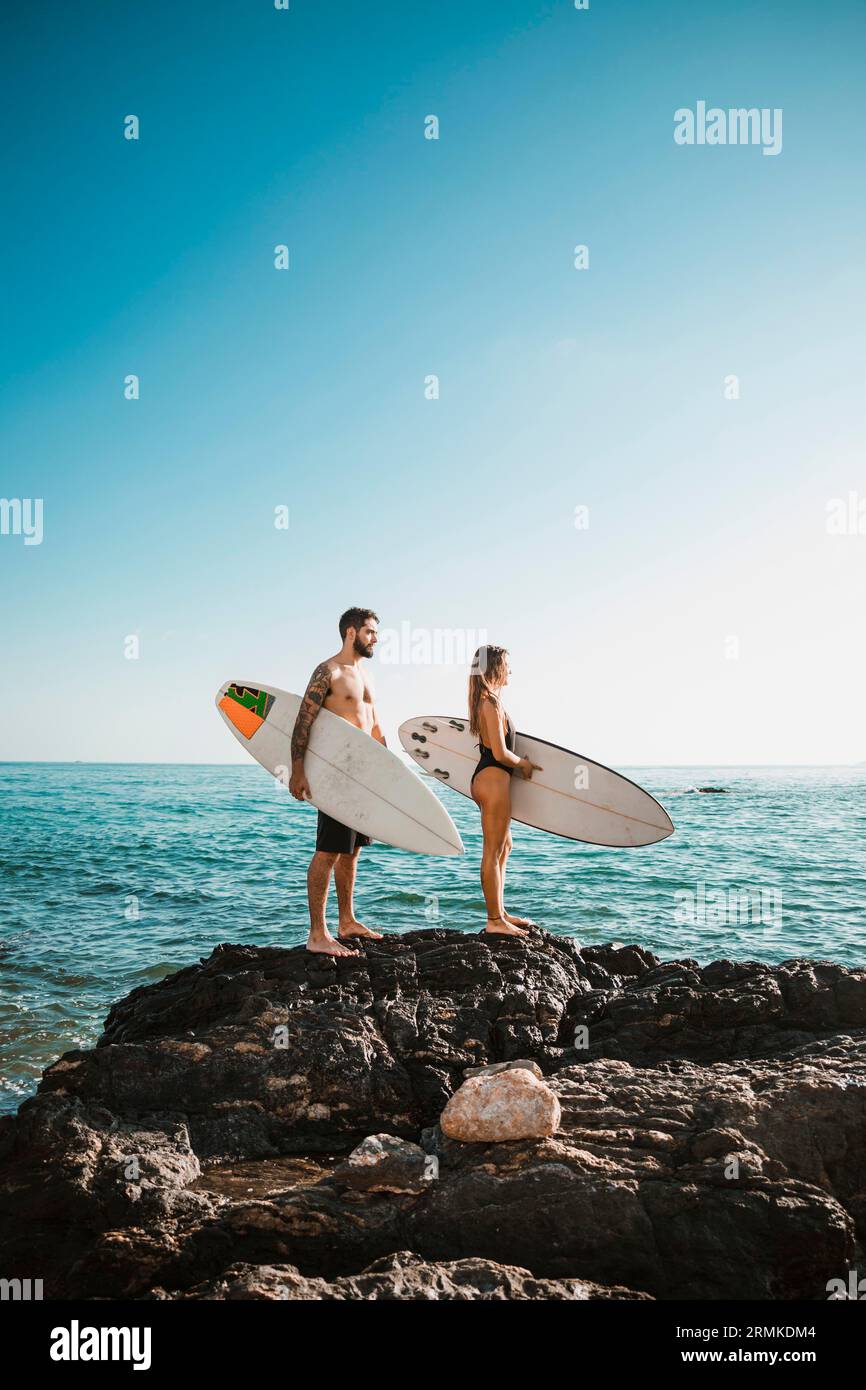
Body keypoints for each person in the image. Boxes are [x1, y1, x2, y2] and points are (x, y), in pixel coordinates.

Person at [289, 607, 385, 956]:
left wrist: (389, 772)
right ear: (351, 632)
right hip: (336, 774)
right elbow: (303, 720)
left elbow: (374, 727)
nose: (376, 638)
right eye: (370, 632)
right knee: (328, 851)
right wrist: (298, 769)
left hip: (363, 775)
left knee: (352, 850)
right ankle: (317, 934)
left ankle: (346, 921)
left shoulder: (367, 676)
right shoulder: (327, 671)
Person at [468, 645, 541, 936]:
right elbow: (499, 752)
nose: (511, 670)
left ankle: (501, 910)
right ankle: (494, 920)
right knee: (492, 849)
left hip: (493, 780)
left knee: (505, 846)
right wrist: (523, 764)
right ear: (495, 667)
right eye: (507, 665)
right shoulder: (490, 703)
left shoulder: (488, 701)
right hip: (493, 780)